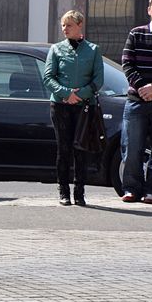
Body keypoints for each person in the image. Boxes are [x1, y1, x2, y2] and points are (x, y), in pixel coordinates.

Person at [42, 10, 104, 207]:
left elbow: (98, 80)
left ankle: (79, 192)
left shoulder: (93, 50)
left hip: (84, 106)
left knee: (80, 148)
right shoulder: (56, 49)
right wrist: (65, 93)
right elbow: (48, 77)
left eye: (69, 25)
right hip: (60, 105)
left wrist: (81, 94)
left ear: (79, 26)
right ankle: (63, 191)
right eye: (63, 25)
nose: (64, 29)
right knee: (64, 148)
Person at [120, 0, 152, 204]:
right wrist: (141, 88)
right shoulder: (135, 34)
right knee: (132, 147)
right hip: (136, 101)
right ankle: (131, 189)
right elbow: (127, 63)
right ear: (149, 10)